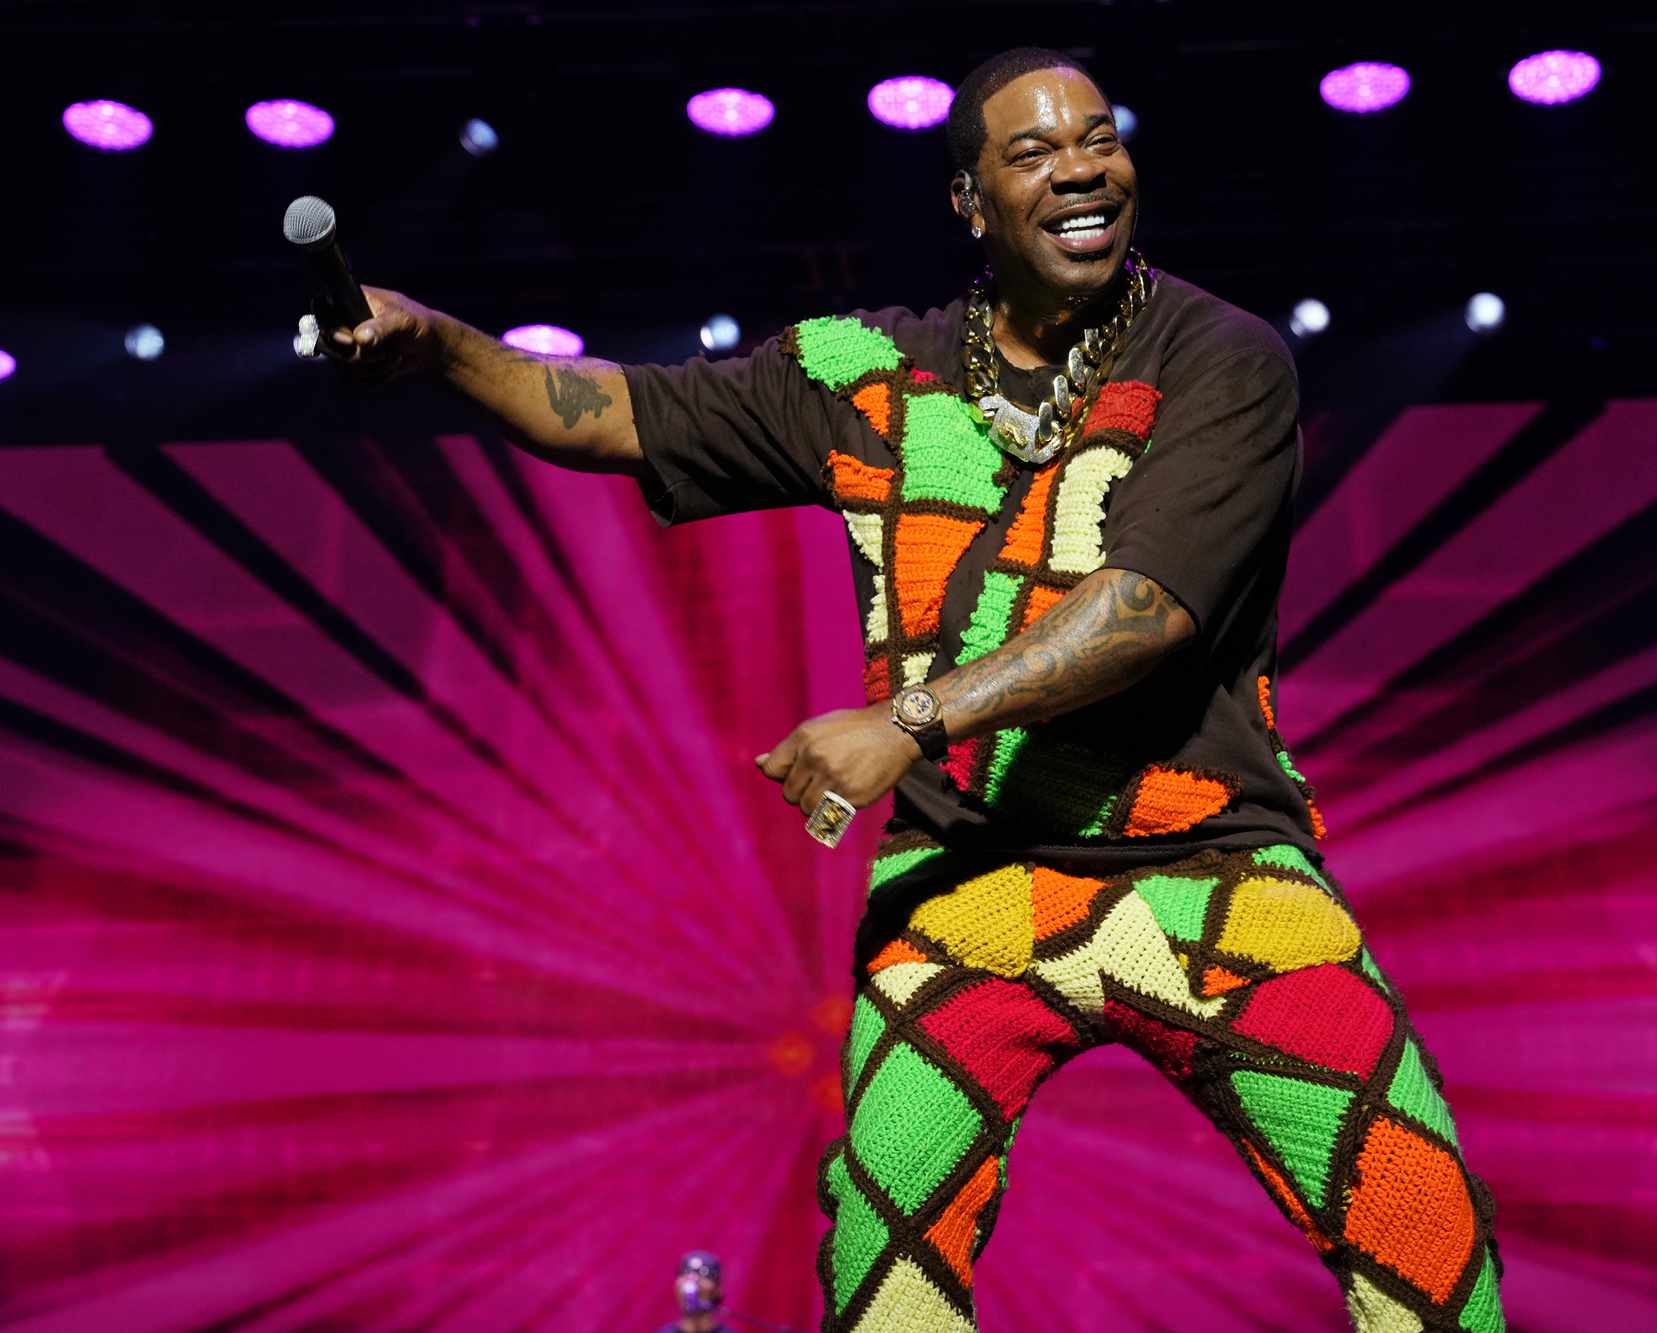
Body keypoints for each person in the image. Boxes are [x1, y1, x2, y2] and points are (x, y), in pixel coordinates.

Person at [307, 45, 1504, 1333]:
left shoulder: (1223, 357)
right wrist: (439, 345)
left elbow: (1147, 609)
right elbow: (608, 415)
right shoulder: (867, 373)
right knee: (889, 1294)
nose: (1081, 170)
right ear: (971, 204)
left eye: (1098, 138)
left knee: (1428, 1248)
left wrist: (913, 718)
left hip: (1210, 868)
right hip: (964, 886)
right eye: (1034, 154)